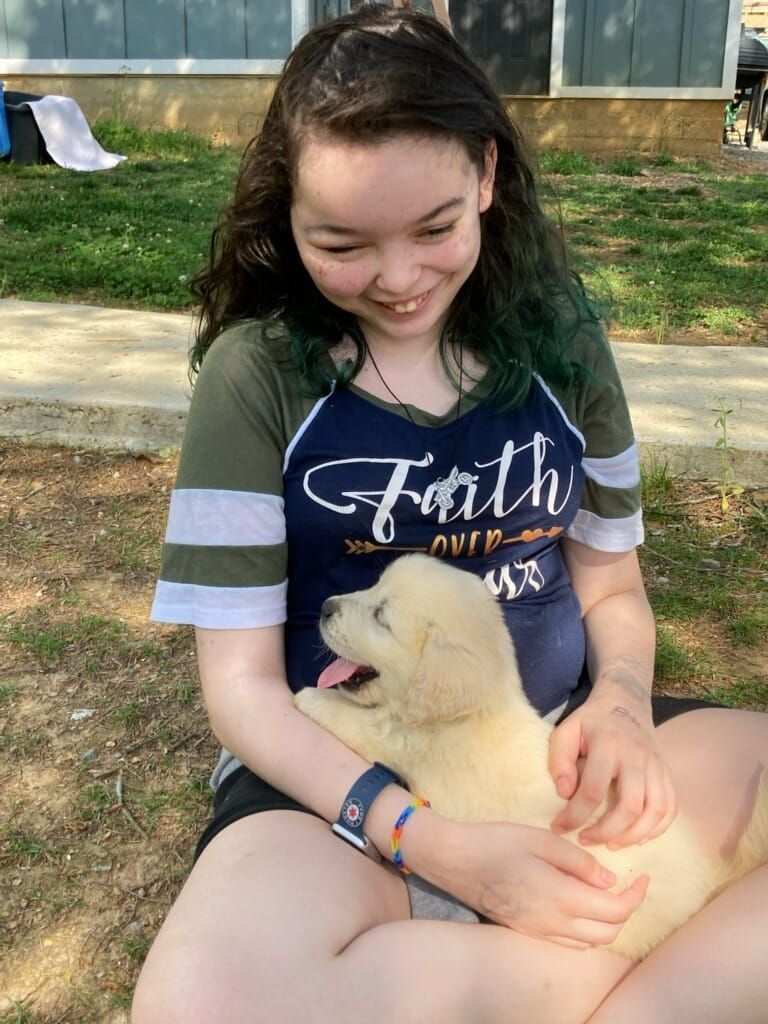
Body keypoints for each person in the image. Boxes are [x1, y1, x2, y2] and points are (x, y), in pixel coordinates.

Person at [131, 6, 768, 1022]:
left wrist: (623, 705)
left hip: (557, 741)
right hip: (345, 778)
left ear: (484, 176)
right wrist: (439, 847)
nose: (397, 279)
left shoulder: (561, 344)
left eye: (434, 229)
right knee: (206, 1002)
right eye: (341, 242)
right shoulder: (255, 378)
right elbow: (244, 691)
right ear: (284, 214)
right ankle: (657, 981)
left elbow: (610, 584)